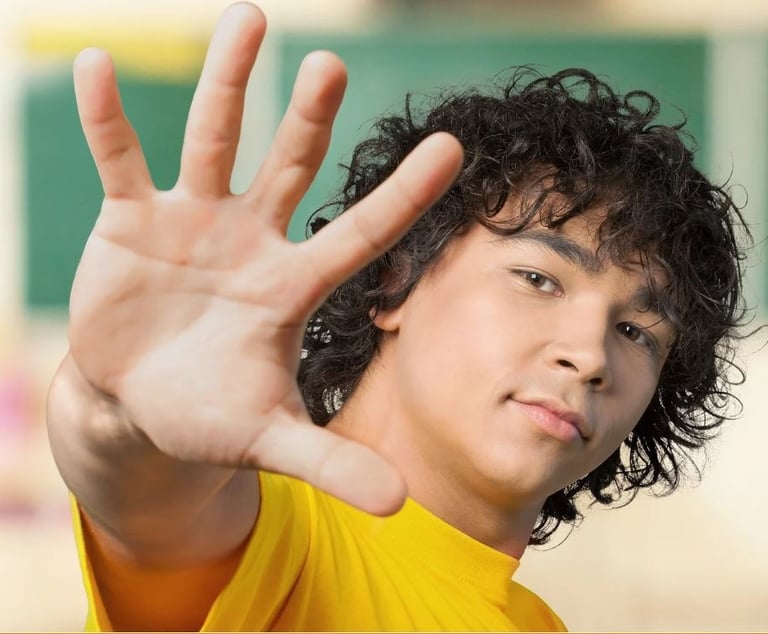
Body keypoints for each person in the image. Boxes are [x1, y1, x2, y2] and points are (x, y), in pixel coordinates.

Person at [47, 2, 750, 631]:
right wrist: (115, 411)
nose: (590, 356)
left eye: (636, 331)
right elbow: (147, 500)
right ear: (395, 281)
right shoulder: (276, 533)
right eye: (539, 279)